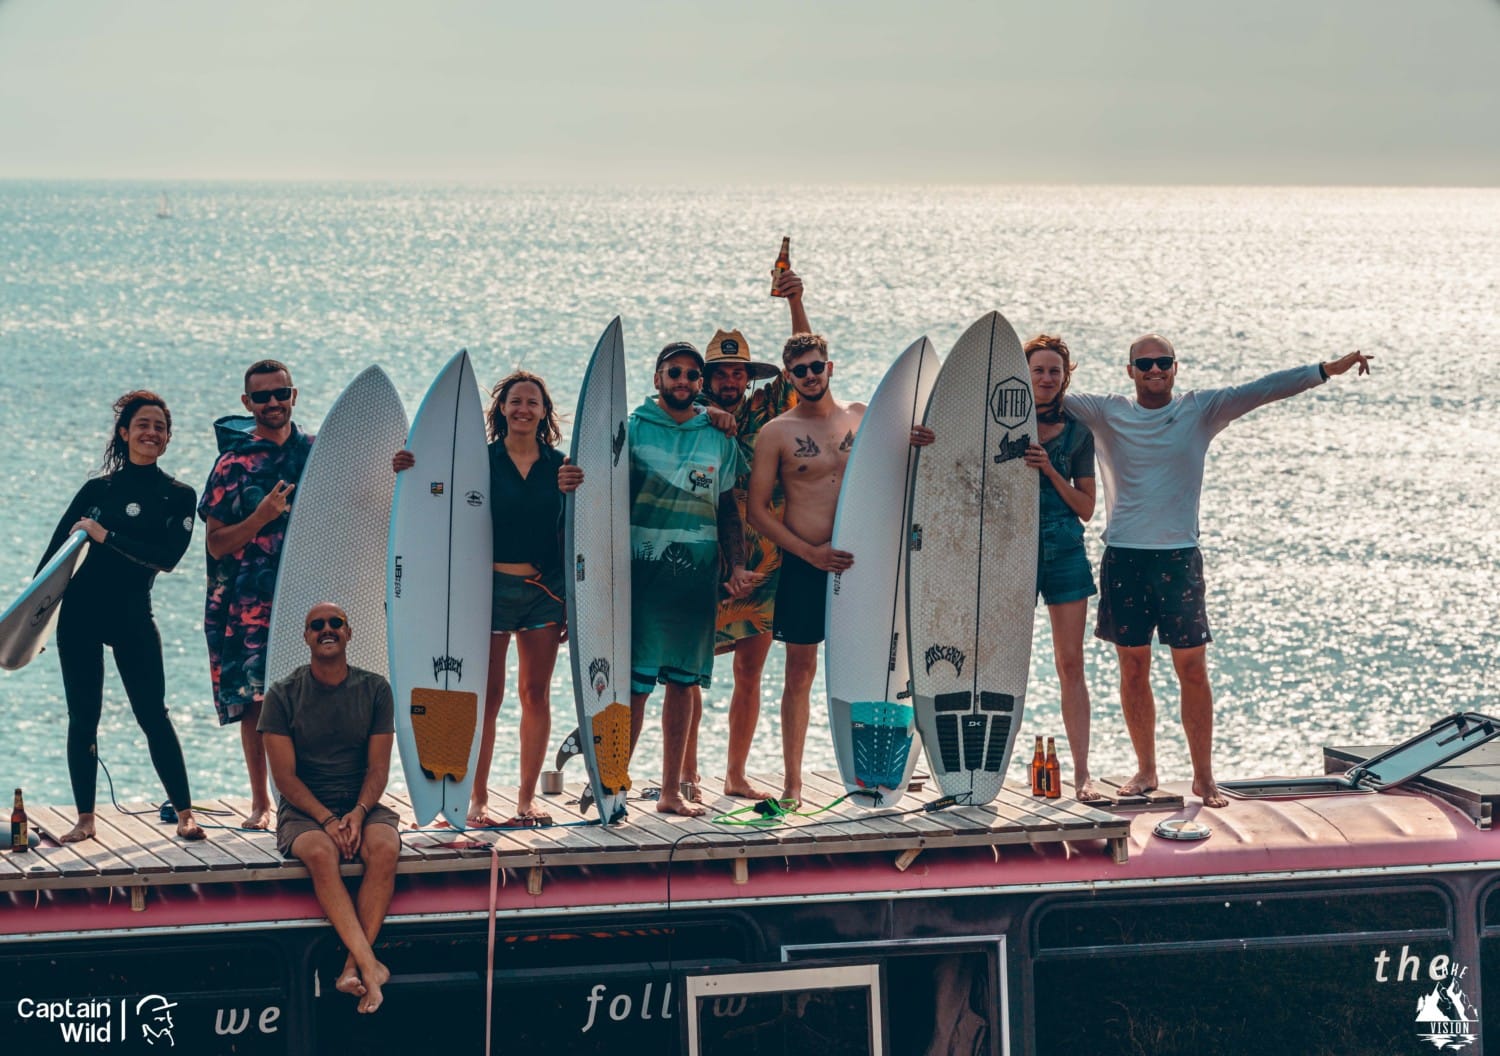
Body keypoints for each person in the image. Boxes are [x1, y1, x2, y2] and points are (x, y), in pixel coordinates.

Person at [1064, 335, 1372, 807]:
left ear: (1175, 367)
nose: (1154, 369)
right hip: (1124, 555)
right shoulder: (1107, 411)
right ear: (1129, 371)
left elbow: (1265, 388)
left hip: (1179, 558)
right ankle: (1146, 770)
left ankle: (1203, 777)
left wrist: (1326, 370)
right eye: (1144, 363)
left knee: (1192, 668)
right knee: (1132, 668)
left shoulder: (1201, 410)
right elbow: (1041, 396)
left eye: (1163, 362)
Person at [747, 333, 933, 806]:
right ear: (789, 377)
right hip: (807, 564)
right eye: (800, 370)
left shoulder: (861, 417)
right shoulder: (776, 432)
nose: (810, 376)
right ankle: (793, 781)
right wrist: (808, 554)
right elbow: (758, 512)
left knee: (880, 665)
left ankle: (880, 768)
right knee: (800, 671)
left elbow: (894, 468)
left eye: (816, 366)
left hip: (860, 562)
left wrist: (918, 443)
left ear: (830, 367)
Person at [392, 371, 583, 827]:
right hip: (487, 592)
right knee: (486, 697)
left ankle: (525, 799)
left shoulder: (560, 467)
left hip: (542, 592)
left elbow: (579, 529)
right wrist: (407, 466)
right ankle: (476, 800)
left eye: (532, 402)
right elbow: (436, 490)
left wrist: (577, 602)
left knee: (535, 695)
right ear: (502, 409)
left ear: (543, 412)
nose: (523, 409)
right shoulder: (478, 461)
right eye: (515, 401)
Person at [40, 391, 204, 843]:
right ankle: (86, 819)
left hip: (132, 615)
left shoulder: (178, 496)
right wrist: (29, 625)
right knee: (83, 717)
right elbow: (52, 560)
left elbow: (166, 557)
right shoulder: (97, 491)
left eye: (159, 427)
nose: (151, 433)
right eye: (143, 425)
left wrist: (104, 534)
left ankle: (186, 812)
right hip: (79, 616)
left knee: (153, 714)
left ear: (167, 439)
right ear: (124, 432)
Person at [682, 269, 809, 803]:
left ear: (748, 378)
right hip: (701, 558)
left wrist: (795, 301)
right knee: (685, 675)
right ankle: (684, 774)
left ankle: (734, 775)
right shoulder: (686, 414)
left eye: (738, 373)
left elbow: (804, 365)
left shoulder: (766, 408)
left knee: (749, 671)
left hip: (766, 560)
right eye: (721, 374)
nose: (730, 382)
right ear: (706, 377)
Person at [628, 341, 755, 817]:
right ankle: (615, 783)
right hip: (642, 575)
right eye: (673, 373)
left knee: (684, 684)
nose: (682, 381)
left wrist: (737, 564)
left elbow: (726, 506)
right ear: (658, 377)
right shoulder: (633, 429)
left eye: (690, 376)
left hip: (695, 578)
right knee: (635, 686)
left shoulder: (718, 435)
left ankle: (669, 792)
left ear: (700, 385)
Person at [260, 601, 399, 1014]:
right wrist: (327, 819)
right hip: (305, 810)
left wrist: (357, 813)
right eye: (316, 625)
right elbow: (284, 778)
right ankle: (372, 968)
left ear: (348, 633)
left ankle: (354, 967)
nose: (327, 629)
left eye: (336, 622)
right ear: (305, 637)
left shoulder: (376, 690)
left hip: (360, 804)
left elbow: (378, 768)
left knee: (386, 848)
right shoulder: (282, 695)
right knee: (321, 853)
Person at [199, 360, 314, 830]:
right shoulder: (233, 463)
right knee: (257, 704)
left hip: (310, 594)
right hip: (248, 601)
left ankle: (310, 798)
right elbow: (216, 542)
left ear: (293, 395)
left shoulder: (317, 452)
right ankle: (261, 802)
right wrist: (262, 517)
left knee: (312, 698)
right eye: (261, 397)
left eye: (279, 394)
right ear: (247, 404)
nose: (272, 403)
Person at [1022, 335, 1102, 802]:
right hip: (1011, 552)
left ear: (1064, 377)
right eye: (1038, 370)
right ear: (1024, 374)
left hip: (1065, 550)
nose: (1047, 378)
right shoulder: (1000, 424)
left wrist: (1051, 471)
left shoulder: (1077, 434)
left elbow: (1087, 507)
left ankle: (1082, 773)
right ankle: (982, 769)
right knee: (1001, 663)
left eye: (1054, 371)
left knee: (1070, 664)